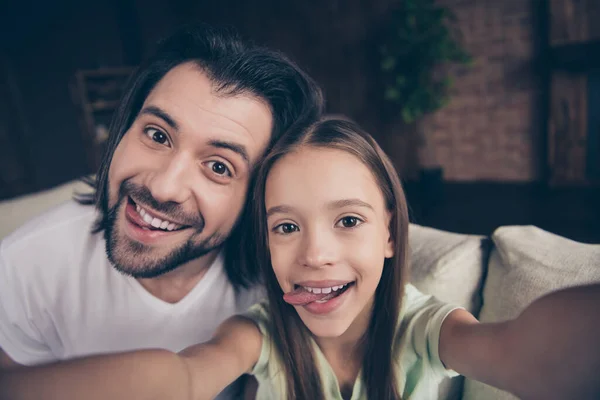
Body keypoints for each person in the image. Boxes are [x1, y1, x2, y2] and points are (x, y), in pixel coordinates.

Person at [1, 116, 599, 400]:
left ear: (391, 234)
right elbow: (181, 377)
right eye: (286, 226)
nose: (315, 253)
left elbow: (521, 353)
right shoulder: (254, 334)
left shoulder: (424, 330)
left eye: (348, 221)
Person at [0, 22, 324, 398]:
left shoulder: (282, 283)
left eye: (219, 166)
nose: (163, 186)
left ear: (260, 195)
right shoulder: (25, 265)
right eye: (157, 135)